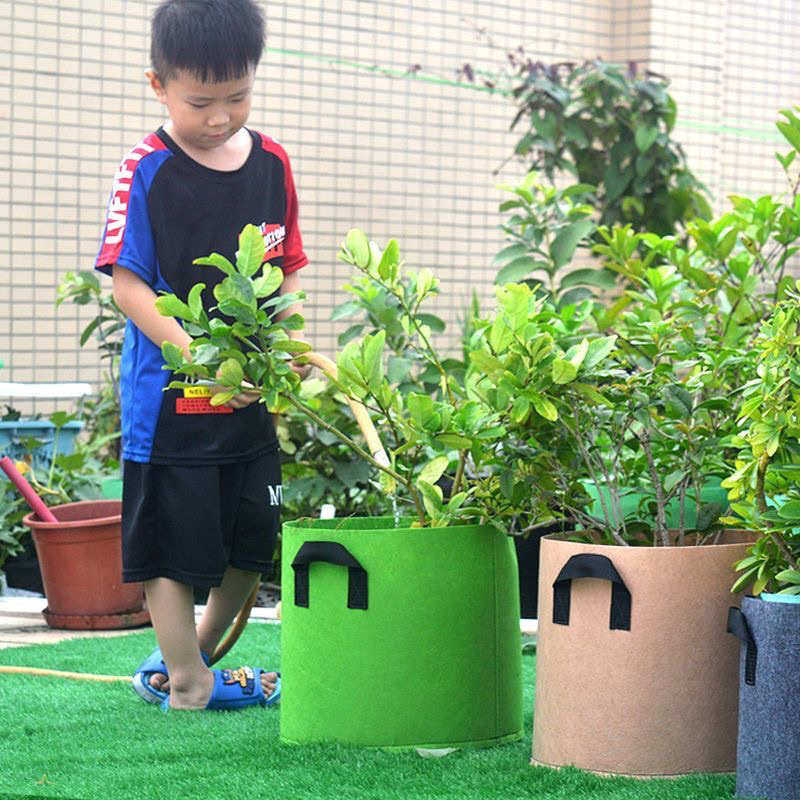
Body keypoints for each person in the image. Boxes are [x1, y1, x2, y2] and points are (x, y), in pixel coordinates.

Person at [95, 0, 308, 711]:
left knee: (253, 537)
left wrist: (286, 342)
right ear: (159, 86)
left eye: (238, 97)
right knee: (170, 545)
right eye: (200, 102)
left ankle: (194, 659)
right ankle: (188, 684)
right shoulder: (147, 169)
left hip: (248, 396)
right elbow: (129, 286)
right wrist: (202, 359)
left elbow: (286, 270)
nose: (220, 118)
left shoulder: (272, 163)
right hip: (170, 401)